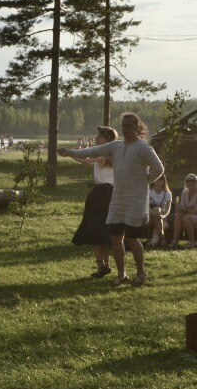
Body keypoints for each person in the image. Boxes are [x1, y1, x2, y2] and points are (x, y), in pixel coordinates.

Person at [58, 112, 164, 287]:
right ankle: (122, 274)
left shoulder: (143, 148)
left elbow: (158, 168)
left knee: (132, 237)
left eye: (129, 126)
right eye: (123, 125)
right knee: (115, 237)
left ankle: (140, 272)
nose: (126, 129)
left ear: (137, 128)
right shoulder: (116, 146)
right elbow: (92, 151)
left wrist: (145, 181)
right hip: (118, 198)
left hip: (136, 199)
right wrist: (70, 152)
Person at [68, 126, 118, 277]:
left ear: (107, 139)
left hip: (102, 194)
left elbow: (85, 160)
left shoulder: (104, 155)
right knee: (105, 231)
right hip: (111, 194)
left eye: (99, 136)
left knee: (95, 230)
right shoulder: (113, 153)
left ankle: (101, 265)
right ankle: (105, 265)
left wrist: (69, 153)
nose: (96, 138)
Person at [147, 175, 172, 248]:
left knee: (157, 227)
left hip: (163, 218)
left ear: (164, 182)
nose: (158, 181)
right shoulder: (149, 192)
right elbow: (146, 207)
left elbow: (167, 210)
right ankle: (162, 237)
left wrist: (162, 216)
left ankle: (153, 242)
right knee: (156, 210)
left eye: (161, 179)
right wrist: (154, 213)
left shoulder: (167, 194)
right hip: (150, 217)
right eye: (157, 179)